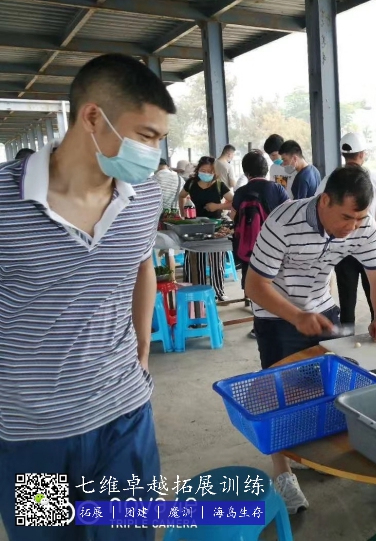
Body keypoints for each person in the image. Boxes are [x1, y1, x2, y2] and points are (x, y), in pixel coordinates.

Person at [0, 53, 175, 541]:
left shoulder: (144, 198)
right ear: (93, 117)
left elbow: (141, 264)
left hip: (123, 419)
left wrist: (142, 349)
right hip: (33, 436)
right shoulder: (4, 203)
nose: (153, 153)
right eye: (146, 136)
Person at [245, 166, 376, 514]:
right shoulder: (283, 221)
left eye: (360, 218)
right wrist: (296, 316)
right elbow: (254, 285)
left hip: (322, 307)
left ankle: (310, 452)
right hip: (276, 312)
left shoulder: (362, 225)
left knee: (325, 388)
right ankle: (283, 473)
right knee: (280, 395)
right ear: (325, 200)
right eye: (346, 217)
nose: (352, 227)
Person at [315, 132, 376, 328]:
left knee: (347, 300)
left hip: (341, 247)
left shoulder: (330, 180)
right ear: (362, 154)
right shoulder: (375, 178)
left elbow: (319, 210)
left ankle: (346, 337)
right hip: (368, 245)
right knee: (375, 295)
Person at [232, 150, 290, 334]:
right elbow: (288, 214)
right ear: (266, 169)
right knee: (277, 285)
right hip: (275, 246)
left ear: (246, 172)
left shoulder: (240, 192)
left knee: (255, 287)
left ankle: (259, 326)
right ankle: (282, 322)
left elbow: (234, 217)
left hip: (250, 248)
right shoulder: (277, 188)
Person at [178, 156, 234, 301]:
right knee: (195, 258)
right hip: (194, 227)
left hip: (215, 226)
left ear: (214, 172)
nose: (206, 173)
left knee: (216, 259)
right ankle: (197, 290)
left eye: (210, 171)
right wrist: (183, 214)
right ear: (198, 170)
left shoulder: (219, 185)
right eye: (203, 170)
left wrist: (218, 206)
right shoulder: (191, 183)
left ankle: (218, 291)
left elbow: (233, 201)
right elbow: (181, 196)